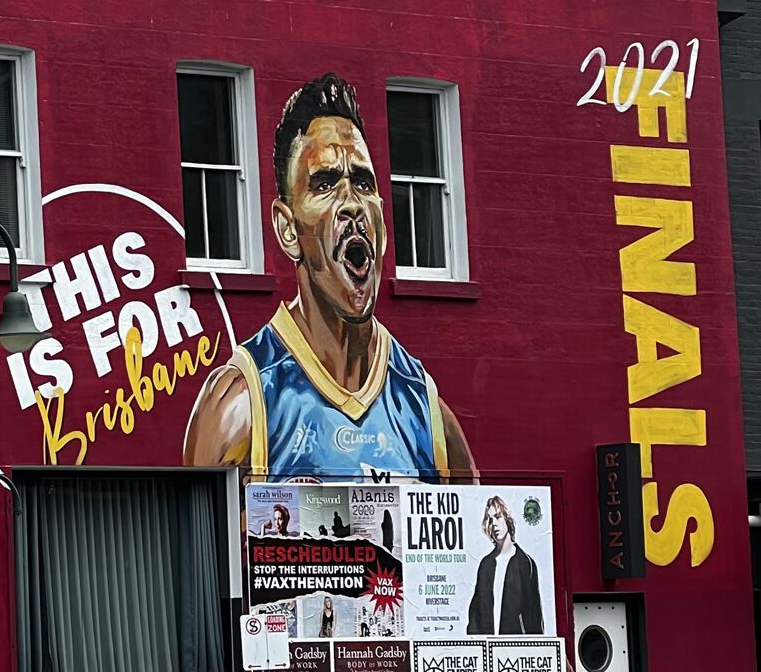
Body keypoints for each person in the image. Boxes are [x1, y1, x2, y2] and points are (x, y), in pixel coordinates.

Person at [184, 74, 475, 481]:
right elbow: (204, 541)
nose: (351, 203)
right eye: (324, 184)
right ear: (288, 229)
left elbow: (471, 539)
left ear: (383, 224)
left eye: (362, 182)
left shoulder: (424, 408)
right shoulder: (242, 401)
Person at [467, 496, 543, 635]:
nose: (494, 524)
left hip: (514, 650)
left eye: (497, 517)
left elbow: (533, 617)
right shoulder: (486, 565)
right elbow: (475, 614)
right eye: (490, 520)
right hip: (486, 649)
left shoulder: (525, 563)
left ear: (507, 518)